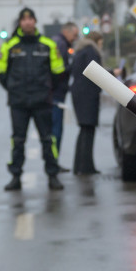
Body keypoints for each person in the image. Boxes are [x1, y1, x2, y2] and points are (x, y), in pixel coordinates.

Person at [0, 7, 67, 191]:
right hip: (18, 103)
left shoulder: (48, 45)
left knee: (47, 140)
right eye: (24, 19)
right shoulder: (10, 46)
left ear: (35, 22)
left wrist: (47, 89)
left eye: (30, 19)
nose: (27, 22)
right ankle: (15, 177)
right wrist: (13, 88)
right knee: (18, 141)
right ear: (20, 23)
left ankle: (52, 175)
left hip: (42, 101)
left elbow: (58, 71)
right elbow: (0, 71)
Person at [69, 30, 105, 175]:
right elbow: (95, 72)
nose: (101, 46)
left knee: (84, 130)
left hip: (80, 93)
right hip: (88, 94)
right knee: (88, 130)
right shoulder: (91, 51)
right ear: (96, 41)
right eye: (101, 43)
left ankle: (80, 166)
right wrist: (112, 73)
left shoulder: (81, 50)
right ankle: (86, 167)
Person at [51, 21, 79, 170]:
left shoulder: (57, 42)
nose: (75, 38)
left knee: (54, 130)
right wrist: (73, 67)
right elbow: (59, 70)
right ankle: (53, 163)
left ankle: (53, 162)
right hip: (56, 95)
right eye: (74, 35)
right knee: (56, 130)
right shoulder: (61, 45)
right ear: (66, 32)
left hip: (54, 93)